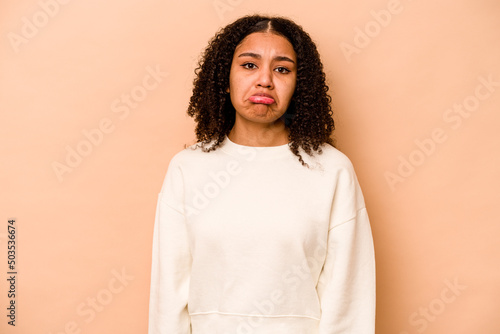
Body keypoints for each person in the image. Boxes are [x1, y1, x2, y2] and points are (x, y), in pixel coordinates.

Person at [148, 14, 376, 334]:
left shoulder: (332, 170)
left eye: (282, 69)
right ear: (224, 80)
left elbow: (348, 299)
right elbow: (168, 297)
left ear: (299, 85)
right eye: (249, 65)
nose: (265, 80)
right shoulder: (187, 168)